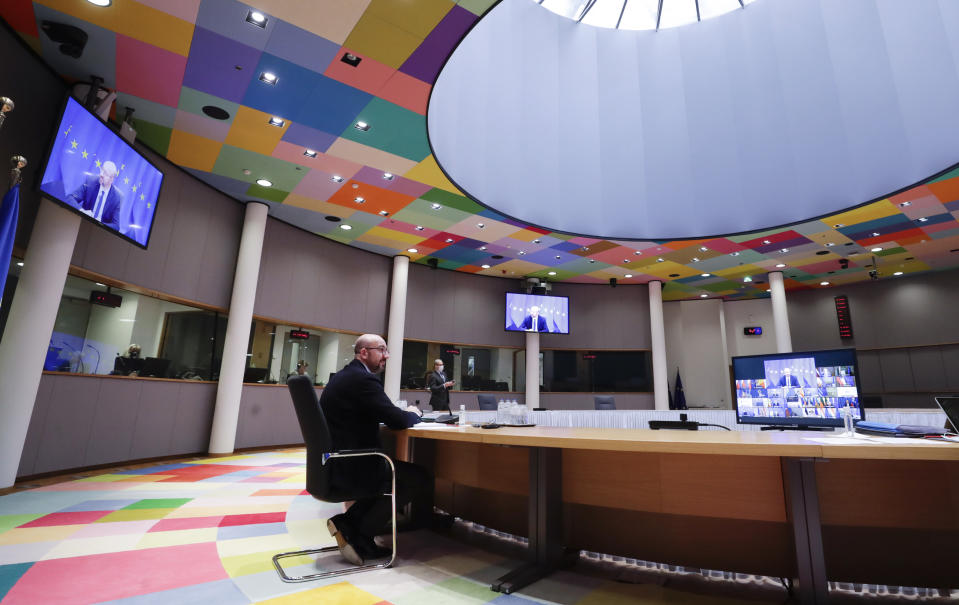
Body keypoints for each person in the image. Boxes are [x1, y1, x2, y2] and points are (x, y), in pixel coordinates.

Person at [319, 334, 432, 565]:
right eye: (382, 350)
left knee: (394, 475)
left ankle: (352, 528)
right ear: (364, 353)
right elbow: (397, 419)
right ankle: (353, 528)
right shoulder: (363, 380)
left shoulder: (345, 377)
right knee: (419, 477)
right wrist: (415, 413)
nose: (387, 356)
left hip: (336, 463)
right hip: (353, 466)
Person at [68, 161, 124, 231]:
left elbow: (116, 226)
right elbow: (70, 198)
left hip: (99, 231)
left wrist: (100, 224)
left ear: (111, 179)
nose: (101, 175)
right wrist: (82, 211)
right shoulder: (90, 182)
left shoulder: (117, 198)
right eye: (102, 170)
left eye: (105, 174)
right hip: (82, 222)